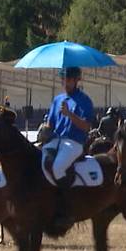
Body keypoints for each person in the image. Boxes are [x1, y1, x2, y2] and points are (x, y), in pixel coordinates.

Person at [45, 66, 95, 230]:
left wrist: (69, 115)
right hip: (55, 140)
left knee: (58, 167)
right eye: (63, 79)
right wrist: (45, 129)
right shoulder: (57, 99)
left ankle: (66, 209)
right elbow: (50, 124)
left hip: (74, 143)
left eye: (68, 79)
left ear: (76, 80)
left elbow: (86, 127)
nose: (65, 82)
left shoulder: (85, 100)